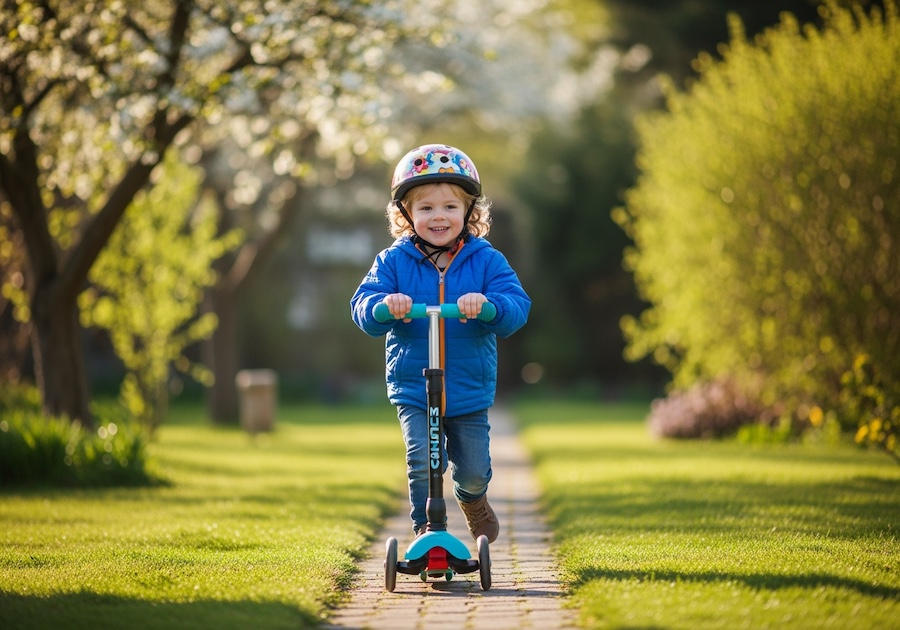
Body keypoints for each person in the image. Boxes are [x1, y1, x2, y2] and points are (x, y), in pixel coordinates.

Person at [350, 143, 531, 543]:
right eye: (426, 207)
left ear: (469, 212)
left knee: (472, 470)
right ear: (406, 215)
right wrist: (385, 306)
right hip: (415, 385)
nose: (438, 216)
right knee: (422, 461)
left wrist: (488, 306)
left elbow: (517, 307)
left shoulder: (487, 260)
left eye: (450, 207)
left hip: (467, 388)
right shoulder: (392, 262)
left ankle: (473, 500)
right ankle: (427, 529)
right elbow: (362, 306)